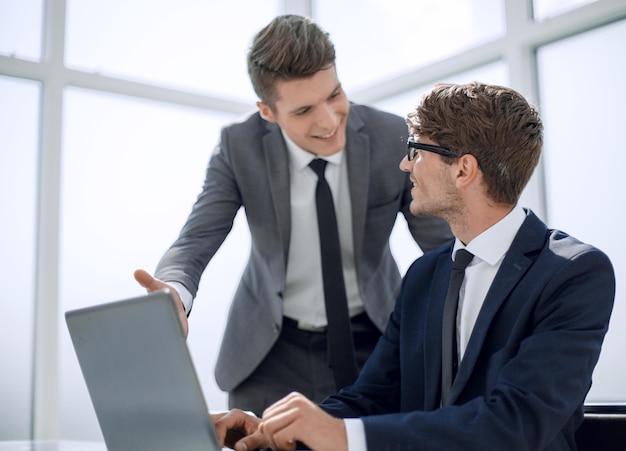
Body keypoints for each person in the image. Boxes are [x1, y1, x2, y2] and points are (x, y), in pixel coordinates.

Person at [211, 81, 616, 451]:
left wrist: (342, 437)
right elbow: (371, 396)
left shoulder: (573, 274)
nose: (406, 165)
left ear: (463, 169)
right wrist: (273, 430)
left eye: (416, 151)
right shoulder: (424, 275)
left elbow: (514, 424)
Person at [134, 14, 453, 415]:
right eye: (303, 111)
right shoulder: (240, 147)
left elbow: (443, 244)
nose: (329, 120)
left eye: (334, 95)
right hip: (269, 349)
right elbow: (197, 238)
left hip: (374, 339)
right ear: (268, 112)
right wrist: (175, 295)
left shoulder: (390, 136)